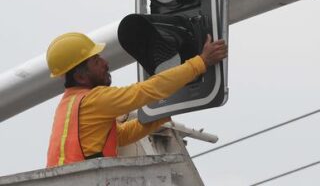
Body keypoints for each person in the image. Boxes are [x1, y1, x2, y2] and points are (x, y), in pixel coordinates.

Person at [46, 32, 227, 167]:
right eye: (95, 61)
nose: (105, 63)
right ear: (81, 77)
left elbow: (120, 136)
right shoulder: (95, 100)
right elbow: (148, 90)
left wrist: (160, 114)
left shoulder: (68, 104)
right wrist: (201, 62)